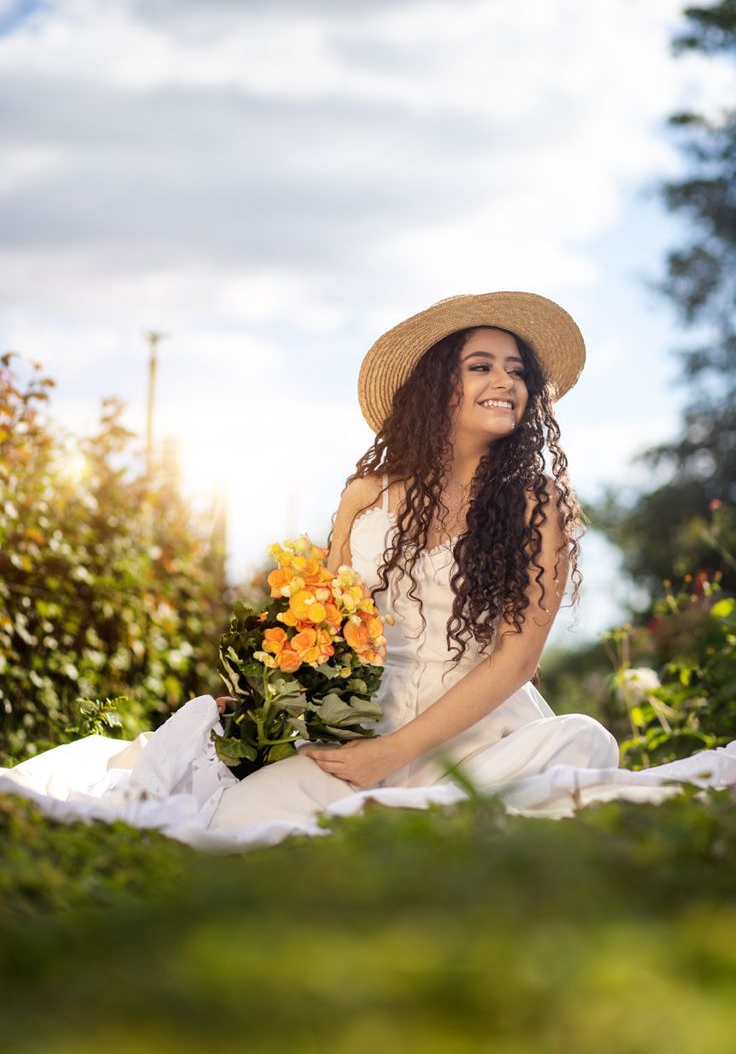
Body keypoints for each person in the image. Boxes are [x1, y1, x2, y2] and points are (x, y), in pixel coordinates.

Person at [3, 292, 735, 850]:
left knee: (583, 743)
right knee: (234, 819)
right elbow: (321, 636)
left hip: (487, 737)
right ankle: (406, 817)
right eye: (480, 365)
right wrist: (268, 706)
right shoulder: (367, 494)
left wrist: (398, 752)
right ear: (436, 387)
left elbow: (517, 661)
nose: (504, 381)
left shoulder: (538, 505)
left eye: (516, 370)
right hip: (363, 732)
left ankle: (413, 812)